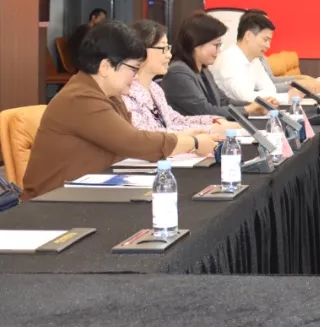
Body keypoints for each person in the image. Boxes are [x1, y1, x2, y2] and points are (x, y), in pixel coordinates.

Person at [22, 21, 219, 199]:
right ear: (105, 67)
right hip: (52, 202)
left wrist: (185, 136)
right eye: (133, 69)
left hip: (84, 193)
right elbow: (134, 142)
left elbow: (133, 138)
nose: (135, 76)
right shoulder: (81, 98)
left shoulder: (108, 94)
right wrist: (192, 143)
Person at [124, 20, 239, 135]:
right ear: (141, 50)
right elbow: (149, 135)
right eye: (163, 49)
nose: (169, 55)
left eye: (168, 48)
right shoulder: (126, 92)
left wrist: (213, 120)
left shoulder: (154, 88)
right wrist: (209, 129)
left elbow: (175, 120)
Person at [160, 12, 268, 118]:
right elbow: (206, 111)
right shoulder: (178, 72)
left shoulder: (204, 70)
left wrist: (256, 106)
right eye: (216, 45)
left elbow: (223, 101)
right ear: (197, 44)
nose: (219, 50)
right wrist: (248, 109)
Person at [240, 9, 320, 94]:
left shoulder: (260, 55)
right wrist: (299, 85)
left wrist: (300, 78)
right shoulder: (242, 57)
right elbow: (258, 90)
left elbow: (271, 80)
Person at [210, 12, 282, 105]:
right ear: (248, 36)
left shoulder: (254, 58)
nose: (268, 46)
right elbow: (246, 98)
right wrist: (286, 97)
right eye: (265, 40)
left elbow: (271, 89)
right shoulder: (230, 59)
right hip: (232, 112)